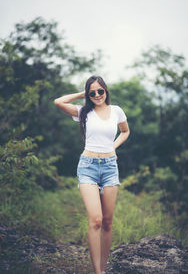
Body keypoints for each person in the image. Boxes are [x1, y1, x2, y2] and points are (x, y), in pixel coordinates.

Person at [54, 75, 130, 274]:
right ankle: (97, 271)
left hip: (109, 167)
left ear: (106, 91)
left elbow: (125, 131)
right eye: (92, 92)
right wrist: (83, 94)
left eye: (100, 91)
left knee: (107, 222)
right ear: (89, 94)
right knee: (95, 220)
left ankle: (103, 269)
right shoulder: (83, 112)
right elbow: (58, 102)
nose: (97, 95)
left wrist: (113, 147)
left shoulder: (116, 111)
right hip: (87, 166)